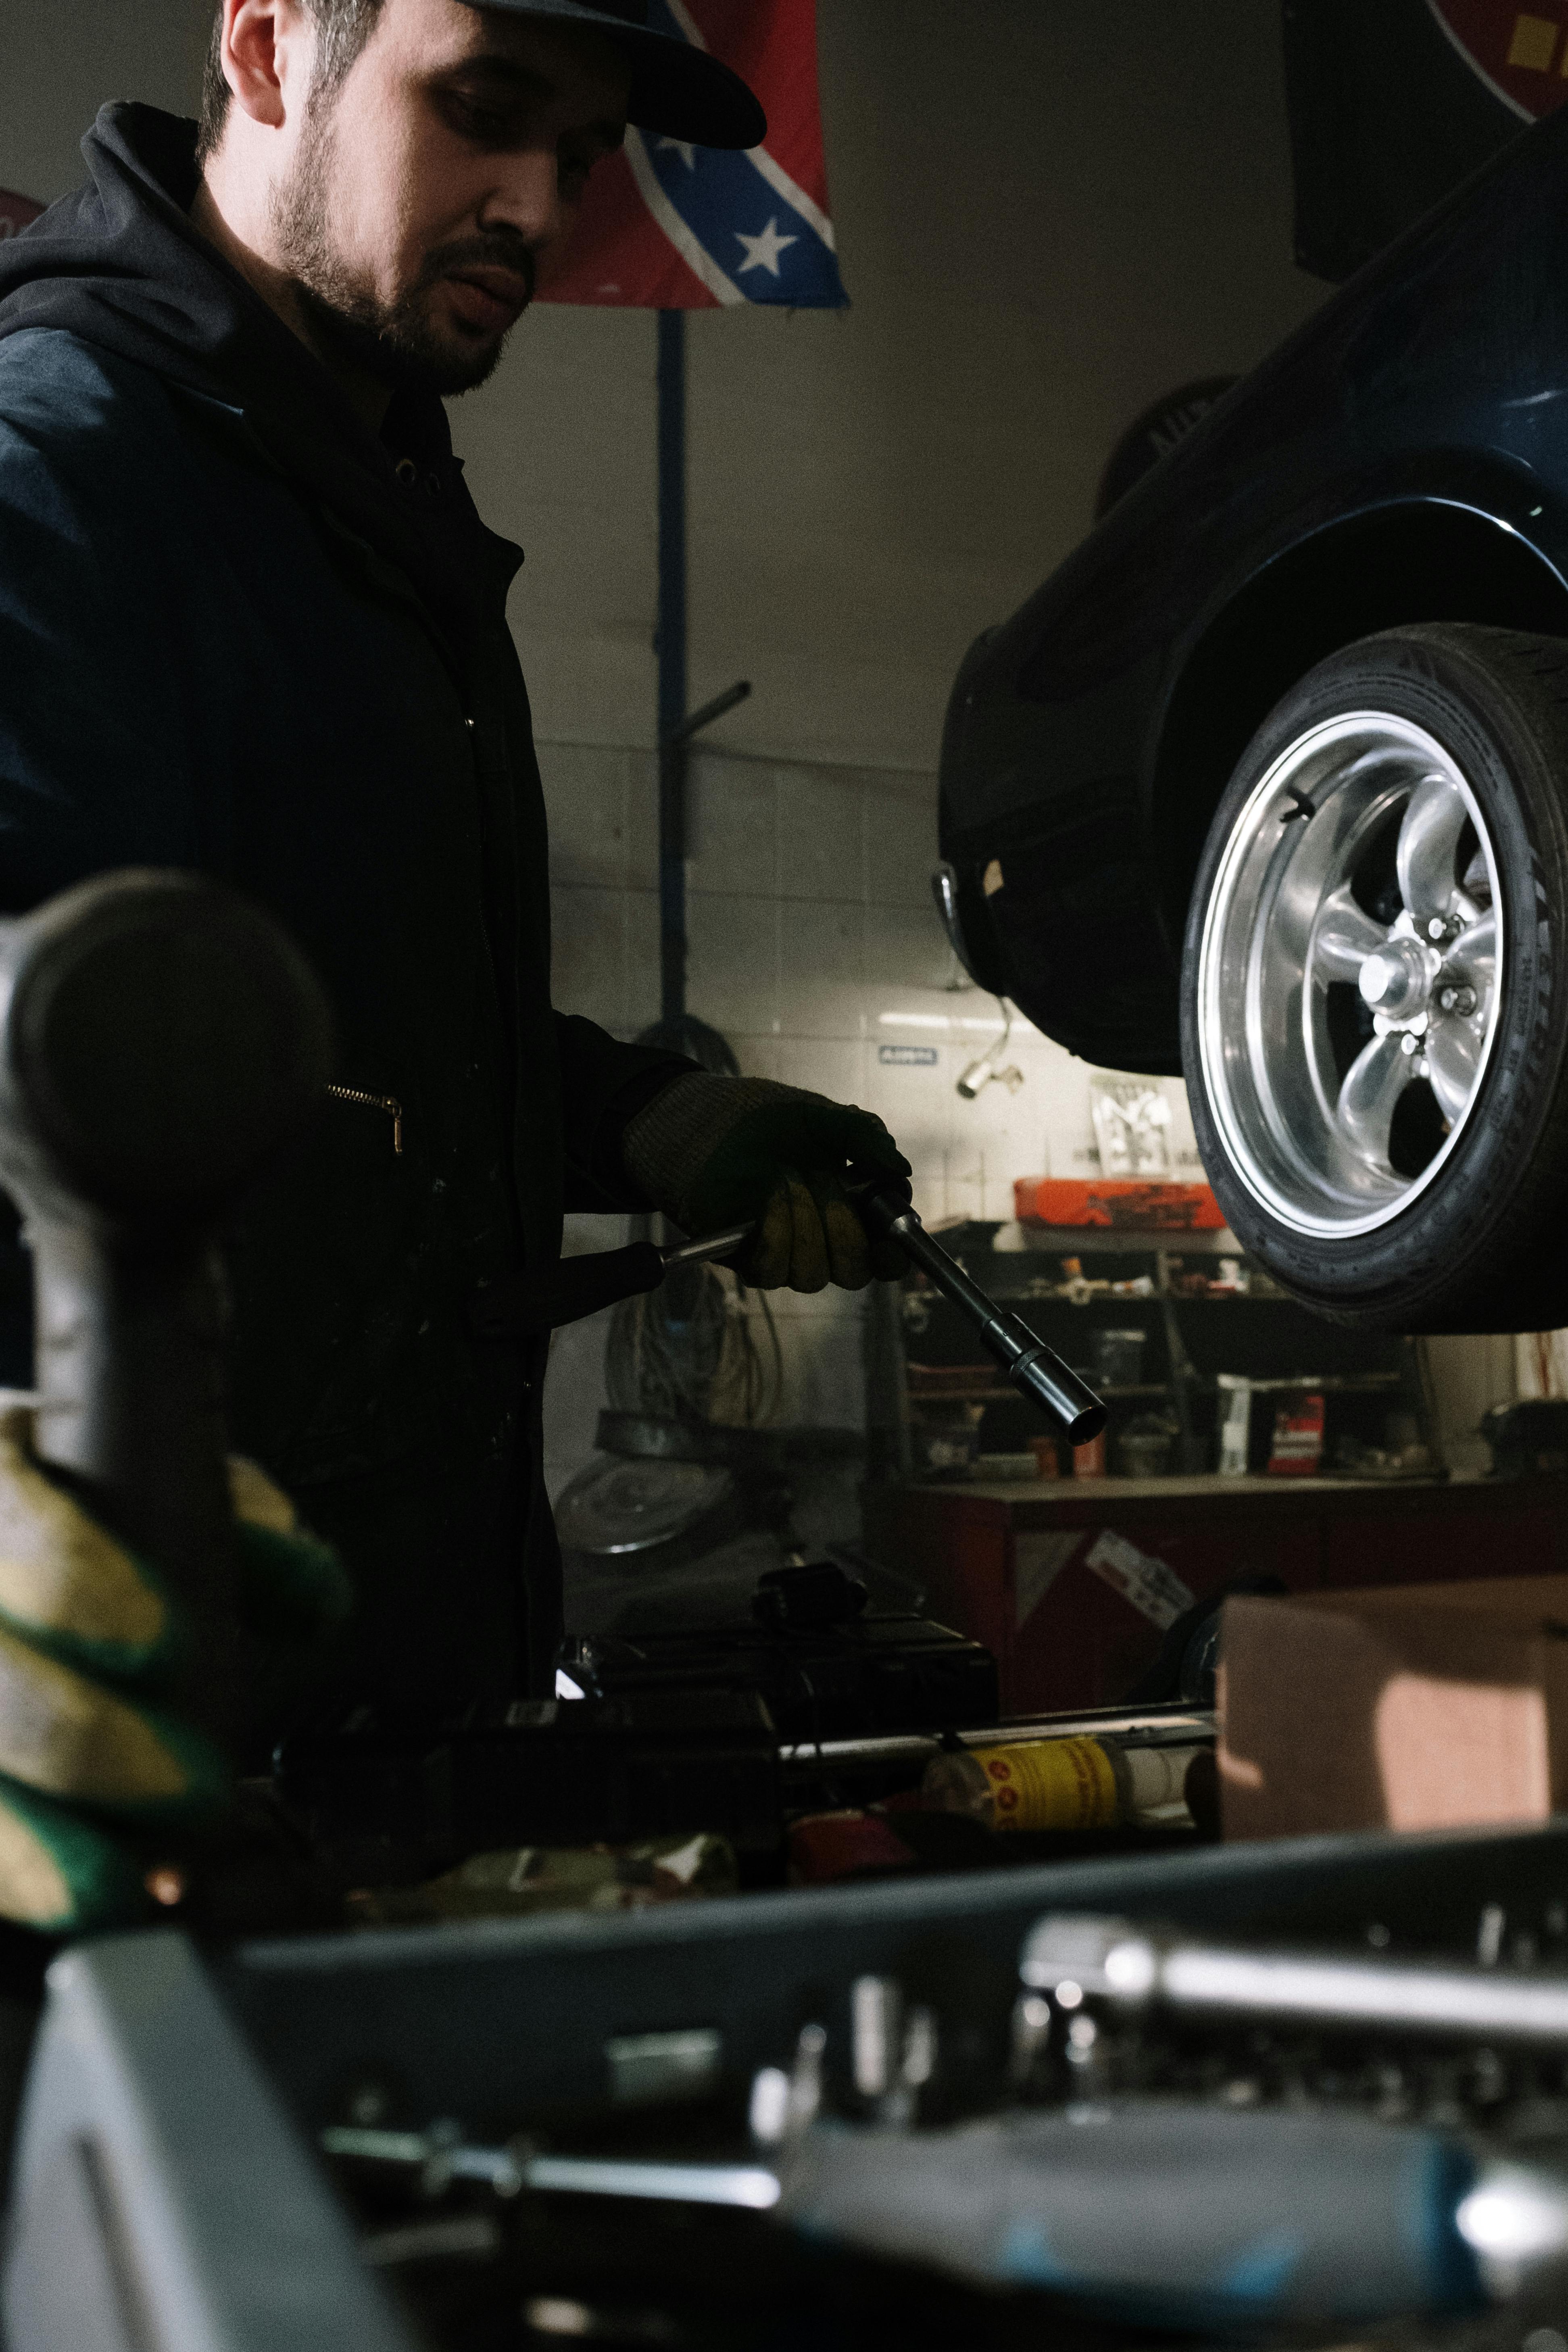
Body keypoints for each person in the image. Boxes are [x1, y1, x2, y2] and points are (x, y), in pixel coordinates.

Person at [0, 0, 910, 1933]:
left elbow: (314, 1027)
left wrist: (654, 1114)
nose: (537, 209)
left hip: (388, 1719)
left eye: (578, 159)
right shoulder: (62, 471)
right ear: (264, 49)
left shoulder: (375, 502)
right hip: (108, 1772)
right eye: (484, 112)